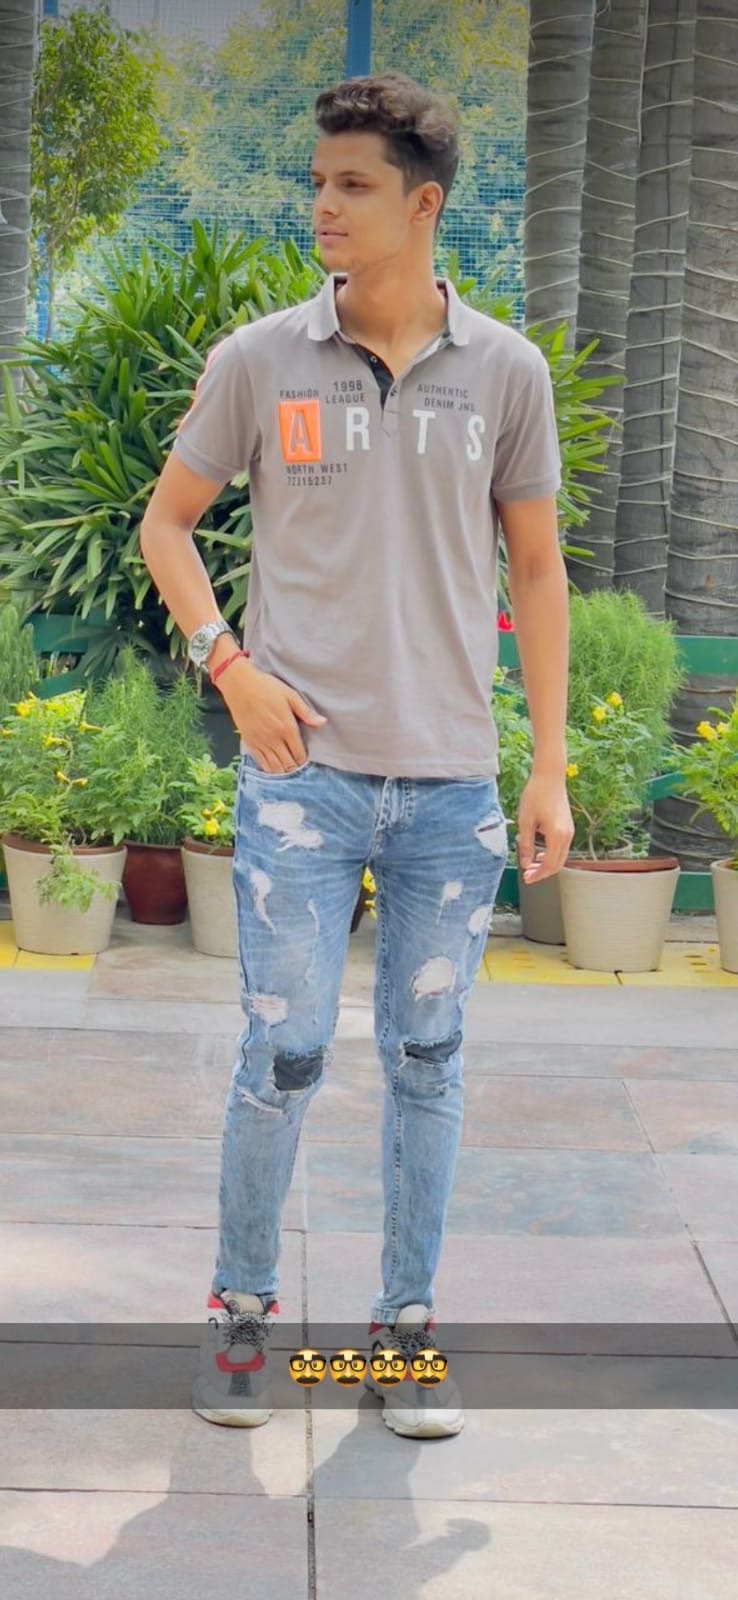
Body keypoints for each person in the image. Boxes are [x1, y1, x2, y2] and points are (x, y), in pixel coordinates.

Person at [140, 71, 574, 1441]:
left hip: (449, 786)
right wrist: (229, 666)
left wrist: (546, 767)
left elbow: (538, 571)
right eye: (318, 182)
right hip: (301, 788)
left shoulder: (505, 373)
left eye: (353, 185)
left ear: (422, 204)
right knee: (280, 1054)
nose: (323, 206)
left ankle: (402, 1334)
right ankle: (241, 1321)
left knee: (428, 1058)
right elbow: (166, 526)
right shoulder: (260, 360)